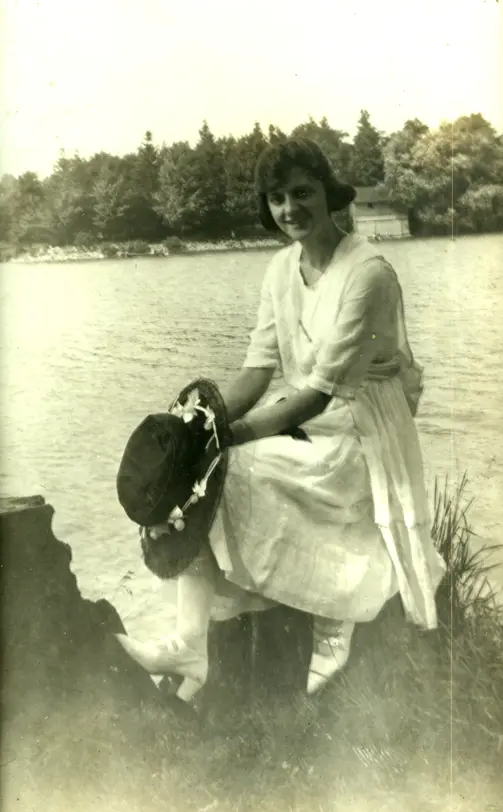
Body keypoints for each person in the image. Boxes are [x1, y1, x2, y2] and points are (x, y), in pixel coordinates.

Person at [118, 137, 446, 702]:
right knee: (189, 474)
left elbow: (320, 394)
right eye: (276, 198)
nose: (289, 209)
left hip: (361, 427)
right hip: (304, 418)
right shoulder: (278, 268)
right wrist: (202, 424)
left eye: (302, 193)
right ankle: (189, 645)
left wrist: (225, 441)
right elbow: (257, 370)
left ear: (329, 194)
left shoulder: (369, 273)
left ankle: (332, 625)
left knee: (228, 471)